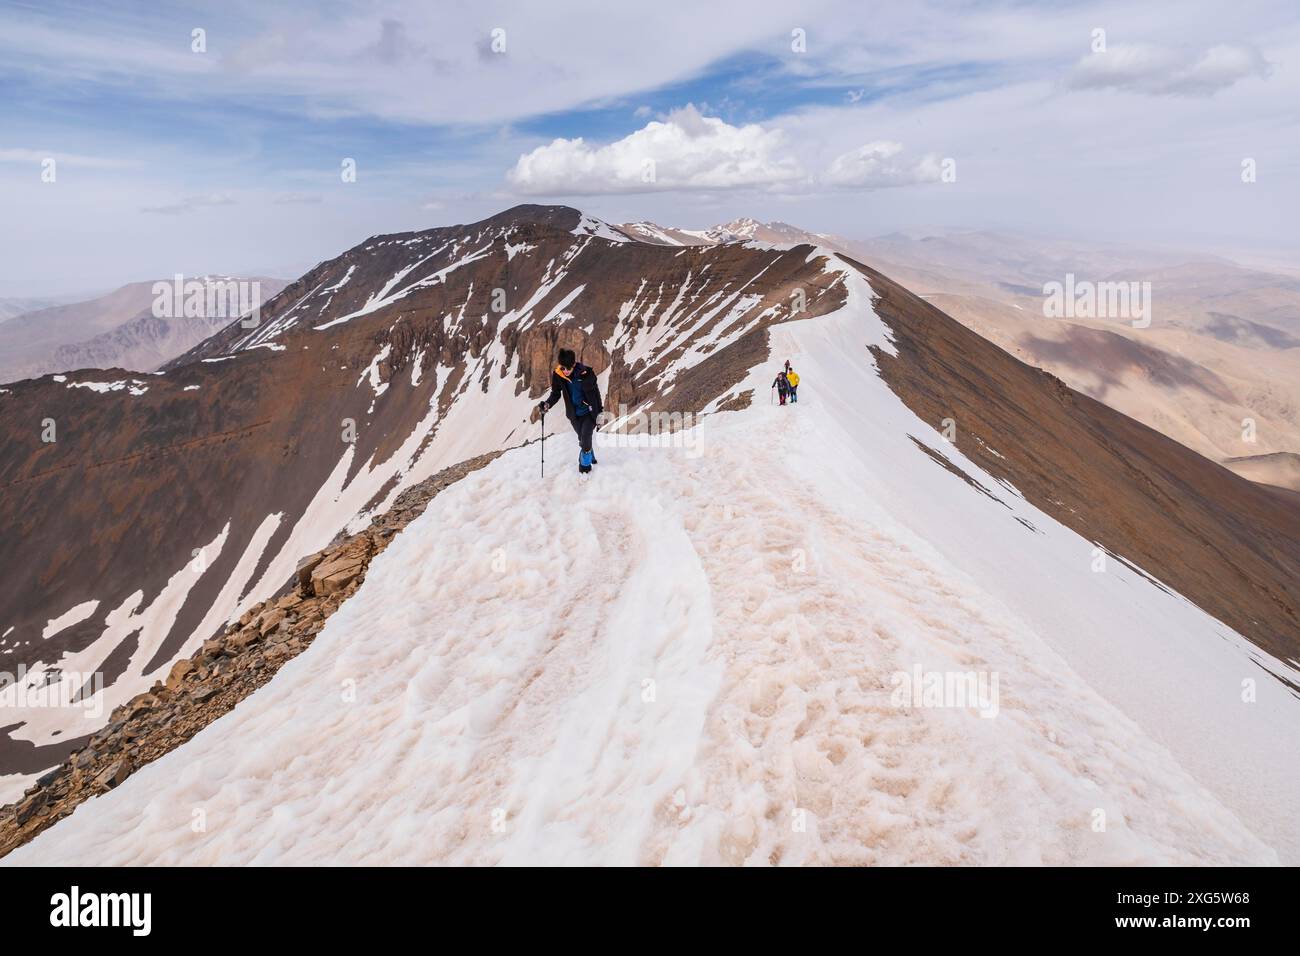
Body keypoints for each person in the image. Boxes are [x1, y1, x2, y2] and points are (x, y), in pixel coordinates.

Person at [537, 348, 603, 474]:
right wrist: (547, 404)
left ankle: (585, 467)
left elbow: (596, 394)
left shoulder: (587, 373)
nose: (565, 371)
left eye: (568, 368)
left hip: (589, 413)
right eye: (563, 368)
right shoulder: (558, 375)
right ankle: (590, 456)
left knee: (585, 436)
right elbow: (555, 394)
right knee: (583, 439)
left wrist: (600, 413)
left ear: (574, 364)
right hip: (574, 415)